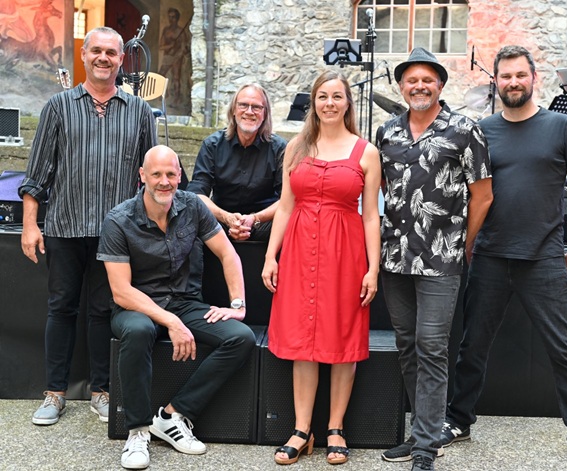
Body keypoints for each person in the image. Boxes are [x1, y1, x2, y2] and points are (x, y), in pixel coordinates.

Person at [443, 45, 567, 471]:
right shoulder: (482, 130)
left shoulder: (561, 127)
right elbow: (469, 193)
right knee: (472, 346)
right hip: (490, 255)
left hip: (544, 258)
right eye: (506, 76)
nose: (513, 82)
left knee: (565, 350)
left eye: (520, 75)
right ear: (496, 81)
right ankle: (458, 421)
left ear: (534, 79)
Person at [18, 26, 156, 426]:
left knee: (102, 310)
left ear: (121, 59)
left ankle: (101, 391)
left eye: (111, 53)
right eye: (96, 50)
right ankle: (54, 393)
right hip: (64, 226)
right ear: (84, 55)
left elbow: (152, 175)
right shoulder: (58, 106)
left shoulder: (139, 111)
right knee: (61, 308)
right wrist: (30, 225)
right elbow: (36, 175)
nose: (103, 58)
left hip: (115, 234)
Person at [97, 145, 256, 470]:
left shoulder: (193, 206)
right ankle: (138, 431)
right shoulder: (119, 220)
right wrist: (170, 321)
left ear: (180, 176)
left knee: (241, 337)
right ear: (143, 176)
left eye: (171, 174)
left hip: (184, 303)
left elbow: (227, 253)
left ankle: (173, 416)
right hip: (136, 308)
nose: (164, 181)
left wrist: (237, 305)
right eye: (156, 174)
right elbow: (122, 292)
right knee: (139, 331)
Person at [376, 48, 494, 471]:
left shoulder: (464, 129)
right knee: (407, 345)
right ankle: (422, 432)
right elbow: (385, 190)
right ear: (401, 87)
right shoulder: (387, 132)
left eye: (427, 80)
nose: (419, 86)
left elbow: (483, 195)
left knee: (431, 346)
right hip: (395, 256)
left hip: (442, 258)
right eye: (412, 80)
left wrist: (464, 243)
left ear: (440, 85)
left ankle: (426, 446)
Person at [261, 70, 381, 466]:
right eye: (322, 96)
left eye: (336, 96)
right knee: (303, 342)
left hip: (345, 254)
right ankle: (301, 430)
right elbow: (286, 206)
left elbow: (370, 216)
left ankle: (335, 428)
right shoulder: (296, 147)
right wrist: (271, 256)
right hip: (299, 252)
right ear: (313, 103)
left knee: (342, 341)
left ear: (348, 103)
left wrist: (373, 268)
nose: (329, 103)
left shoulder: (366, 152)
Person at [188, 83, 286, 242]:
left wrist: (255, 218)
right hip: (220, 222)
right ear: (233, 110)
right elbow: (197, 193)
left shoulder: (279, 149)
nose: (249, 111)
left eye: (256, 107)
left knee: (293, 219)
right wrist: (227, 218)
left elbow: (288, 199)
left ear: (265, 113)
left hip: (264, 223)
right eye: (243, 105)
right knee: (190, 215)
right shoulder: (212, 145)